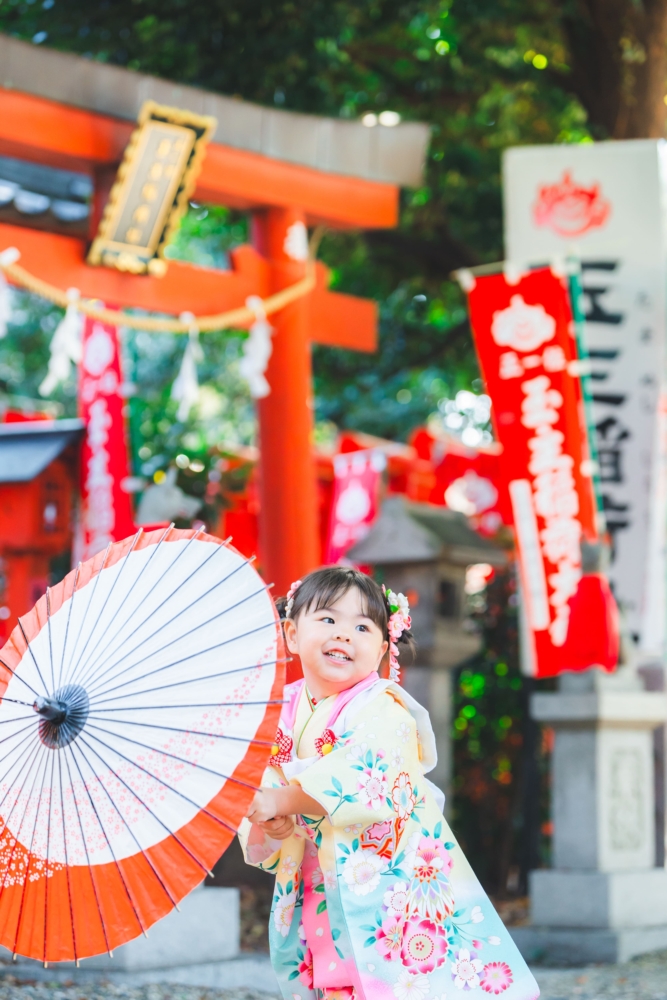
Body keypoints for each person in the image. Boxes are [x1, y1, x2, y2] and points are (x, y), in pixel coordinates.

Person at [239, 567, 539, 1000]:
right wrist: (275, 818)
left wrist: (283, 798)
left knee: (397, 975)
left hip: (385, 877)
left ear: (382, 649)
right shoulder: (278, 709)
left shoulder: (384, 708)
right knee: (329, 966)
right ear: (290, 634)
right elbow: (261, 776)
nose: (344, 634)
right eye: (327, 619)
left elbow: (370, 773)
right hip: (318, 870)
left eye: (362, 626)